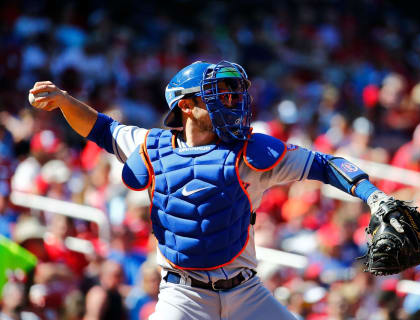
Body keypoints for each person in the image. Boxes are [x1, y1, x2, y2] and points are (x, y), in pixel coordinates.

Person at [29, 60, 400, 320]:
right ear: (186, 107)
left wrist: (375, 196)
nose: (234, 102)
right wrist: (63, 100)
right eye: (220, 95)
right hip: (183, 295)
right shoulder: (150, 146)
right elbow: (101, 128)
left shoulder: (251, 151)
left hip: (246, 293)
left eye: (235, 93)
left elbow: (323, 163)